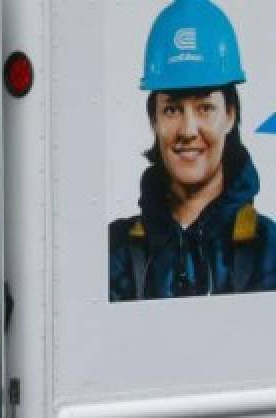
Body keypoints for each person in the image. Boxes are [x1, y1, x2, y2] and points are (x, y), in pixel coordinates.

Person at [108, 0, 276, 301]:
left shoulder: (270, 251)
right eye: (172, 109)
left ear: (231, 115)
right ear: (154, 120)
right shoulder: (114, 252)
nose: (187, 130)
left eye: (205, 108)